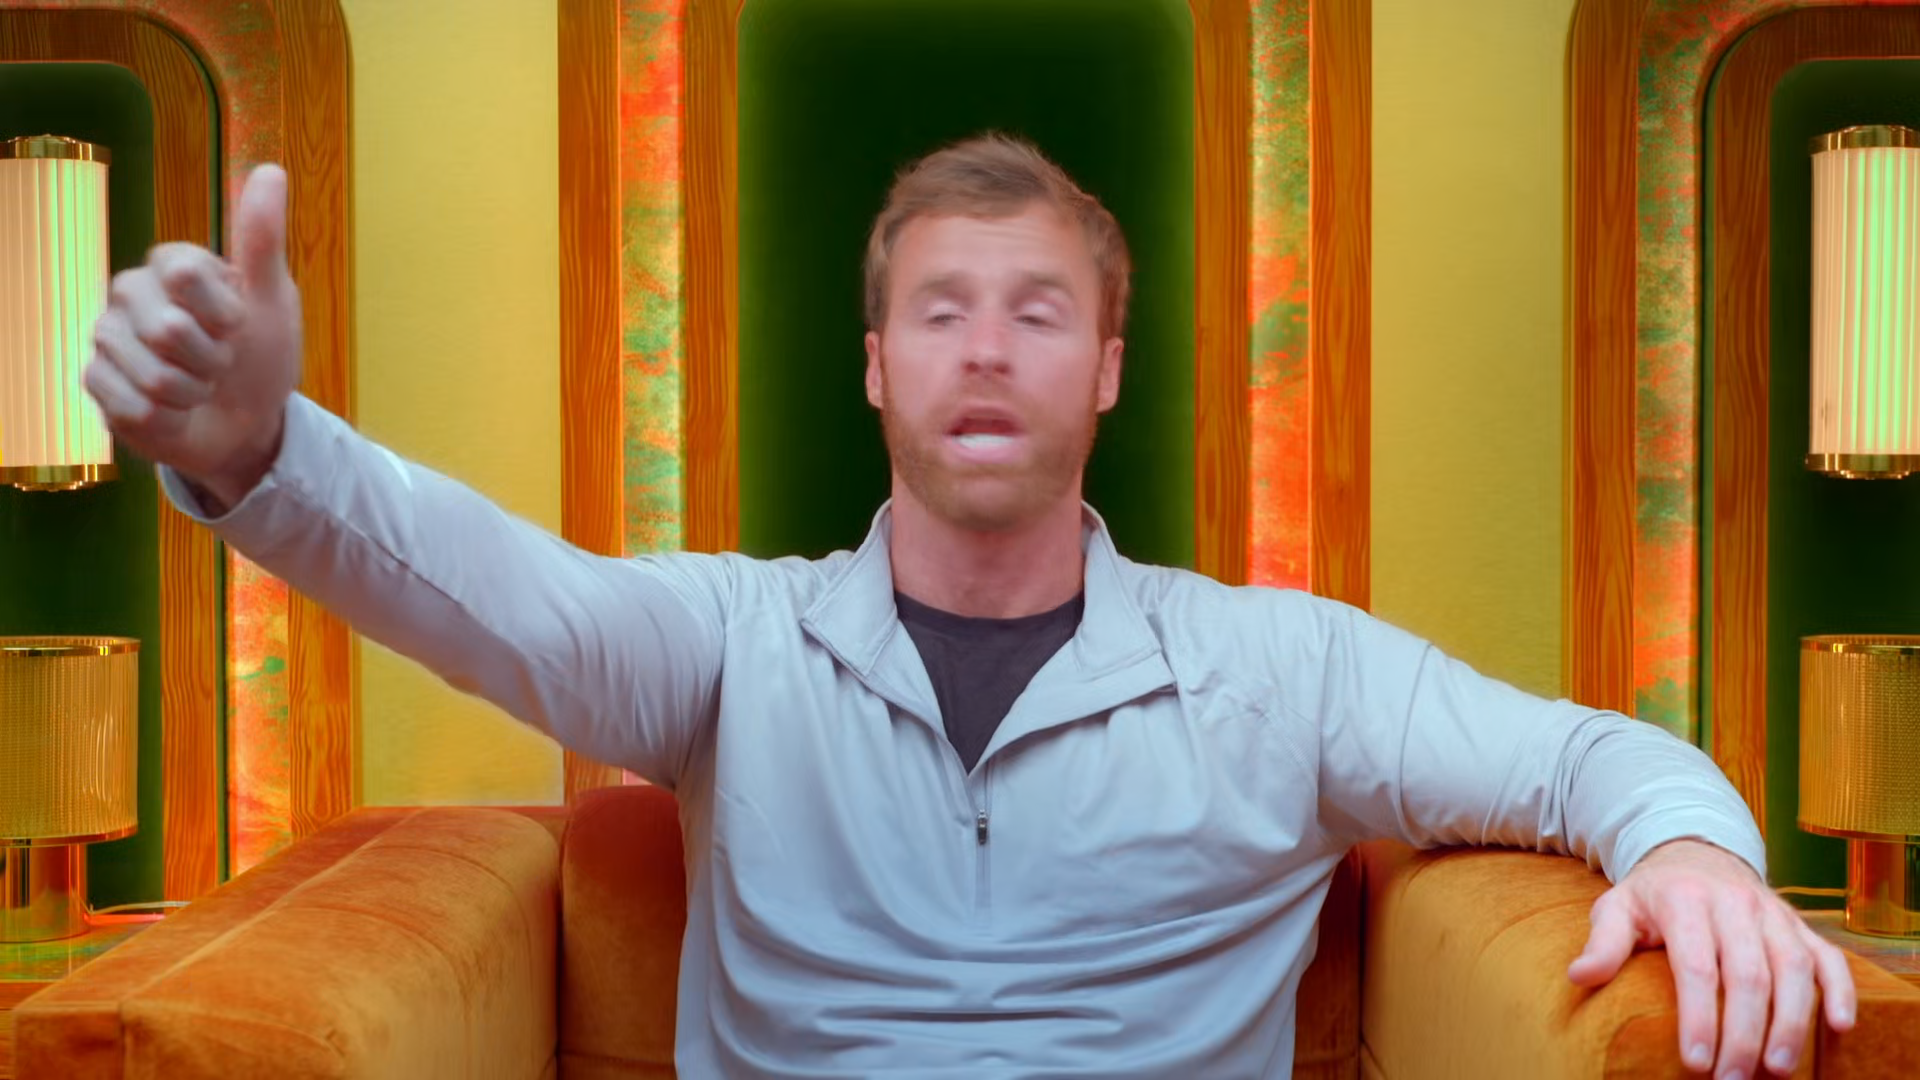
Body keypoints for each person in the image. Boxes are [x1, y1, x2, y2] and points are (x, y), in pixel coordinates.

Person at [84, 133, 1853, 1080]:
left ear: (1109, 367)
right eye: (940, 311)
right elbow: (496, 598)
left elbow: (1591, 760)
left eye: (1036, 310)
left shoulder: (1278, 664)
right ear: (875, 366)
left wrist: (1696, 854)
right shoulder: (734, 644)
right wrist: (262, 450)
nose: (986, 348)